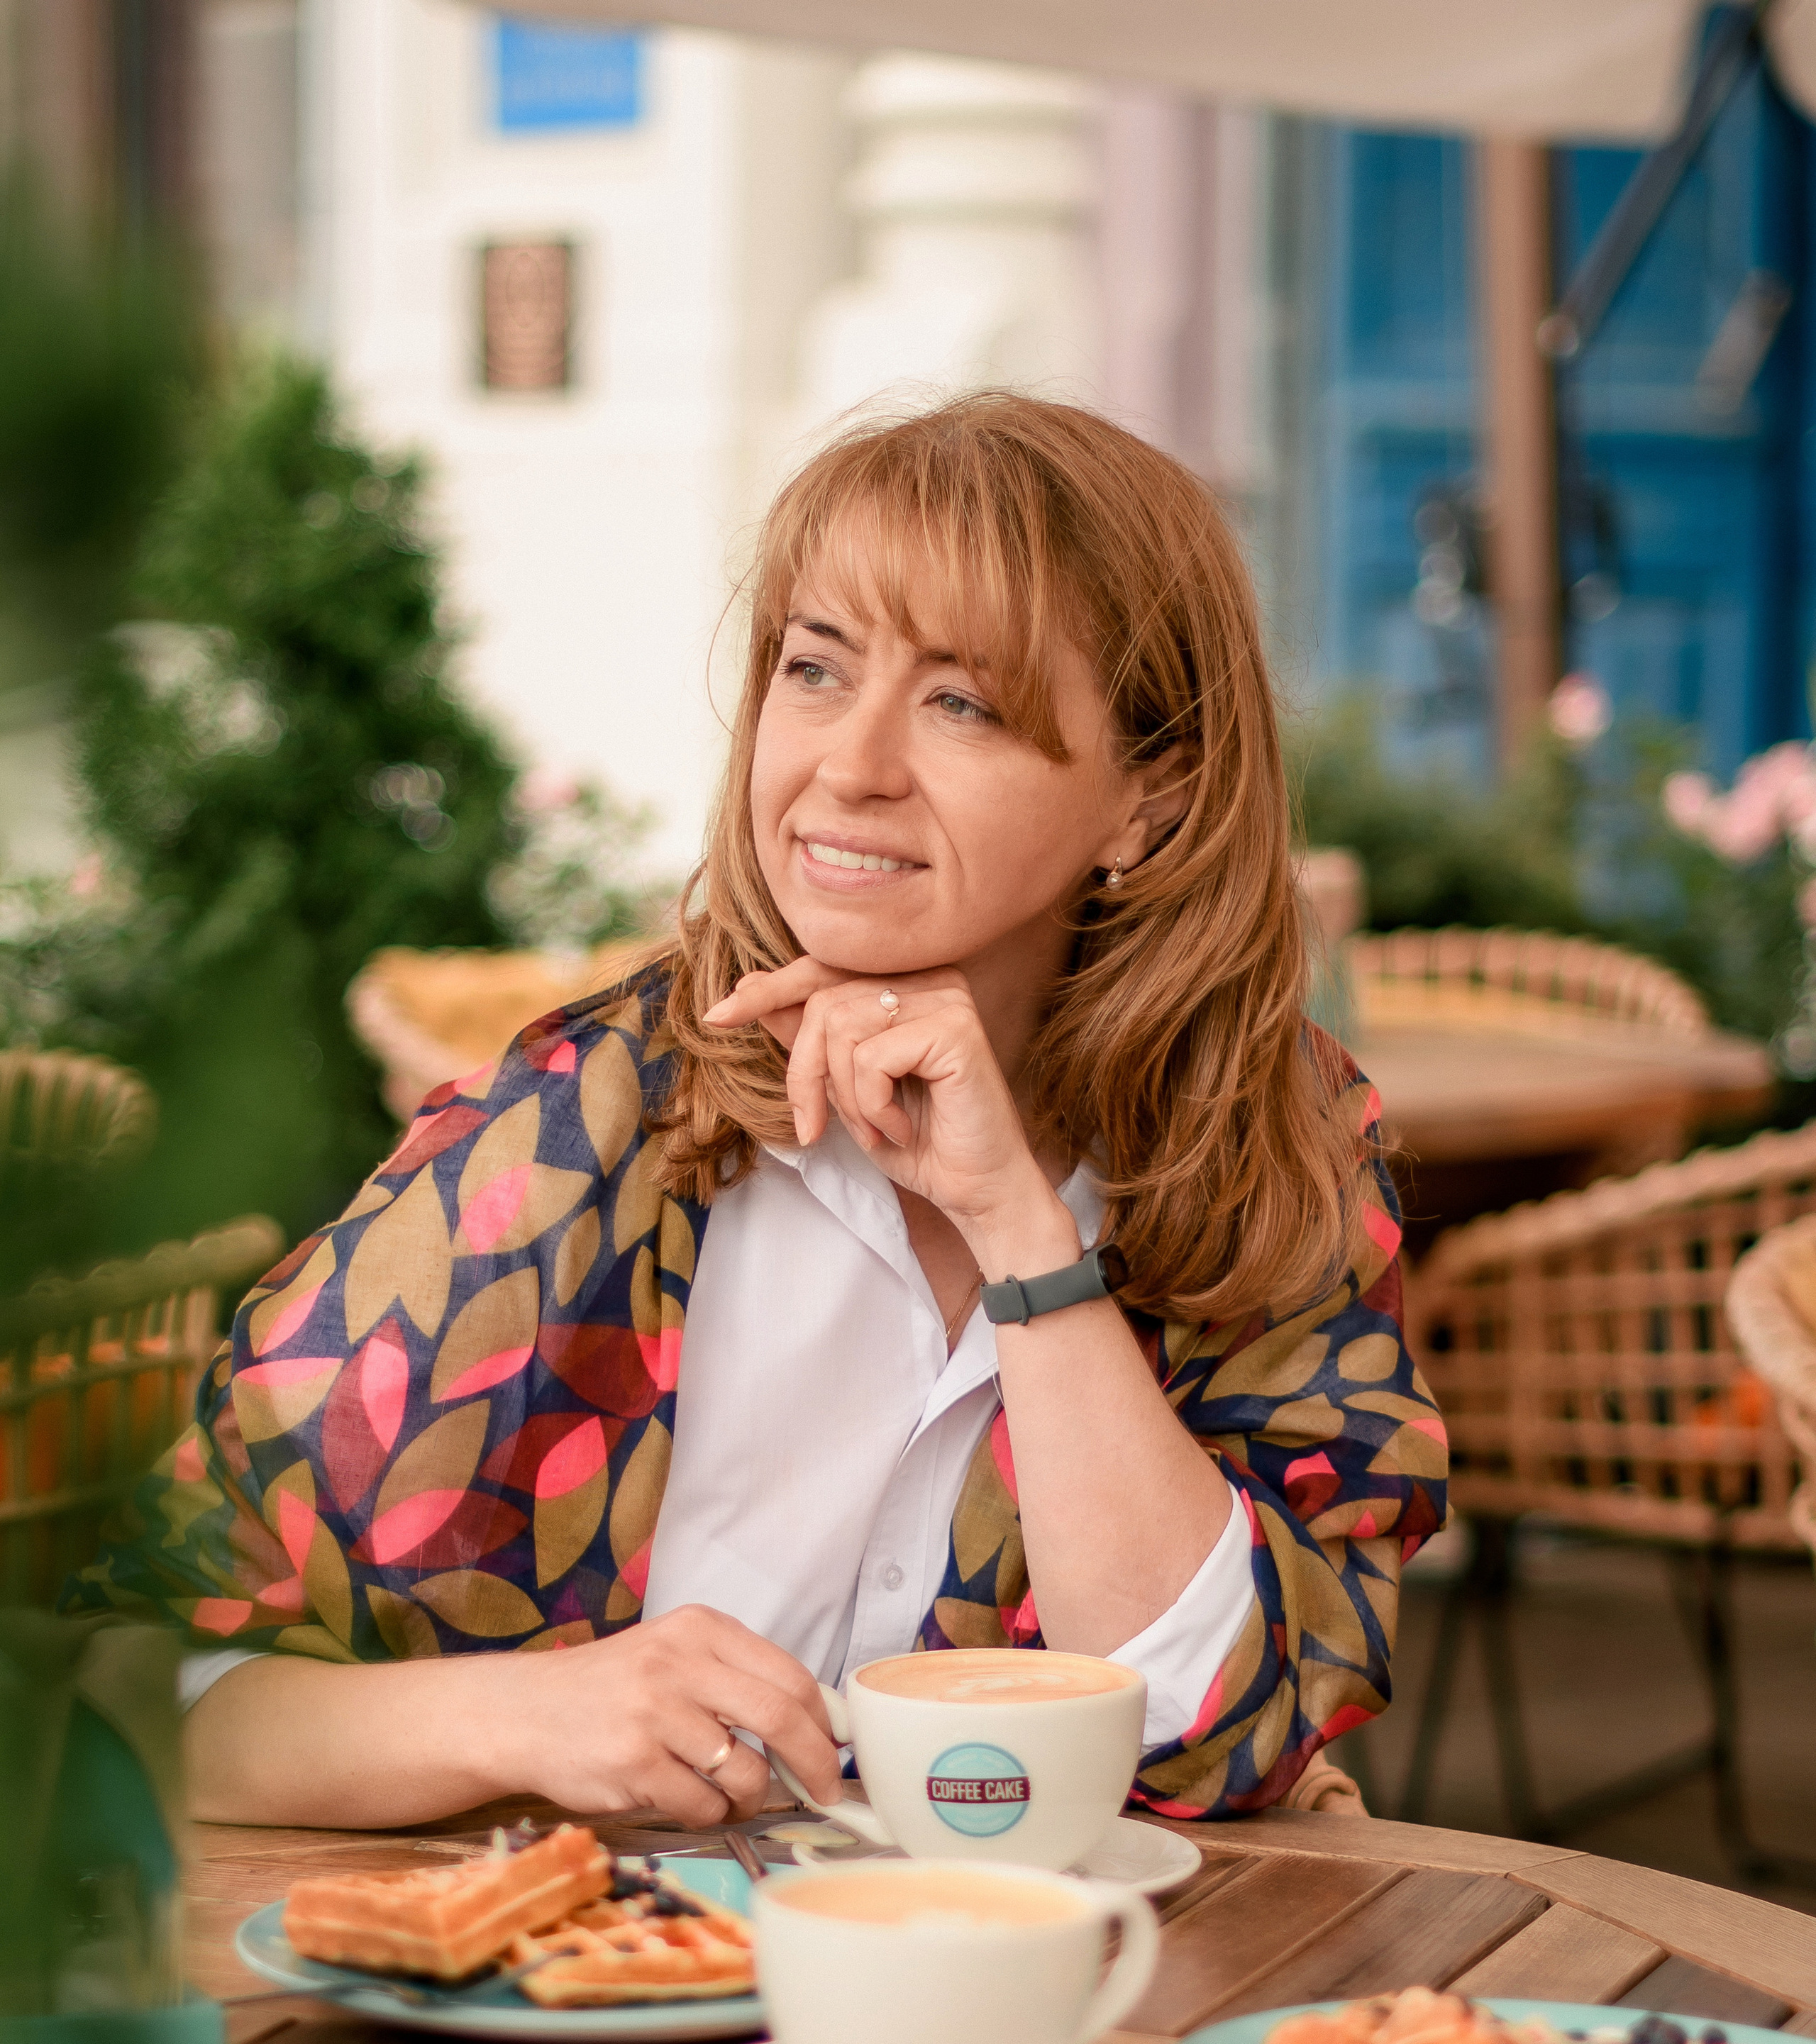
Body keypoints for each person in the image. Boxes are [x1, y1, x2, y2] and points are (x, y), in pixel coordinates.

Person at [67, 393, 1445, 1831]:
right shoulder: (574, 1140)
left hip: (1076, 2011)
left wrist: (1023, 1241)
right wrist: (523, 1713)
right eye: (813, 670)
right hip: (571, 2012)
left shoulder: (1273, 1152)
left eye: (961, 701)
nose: (848, 765)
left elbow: (1215, 1732)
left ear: (1147, 803)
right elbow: (123, 1695)